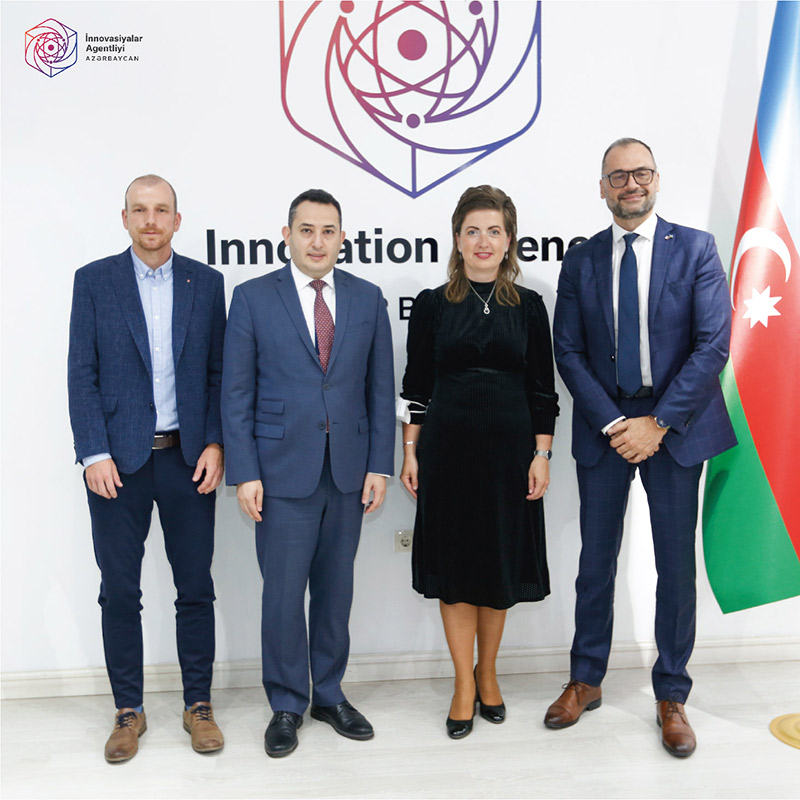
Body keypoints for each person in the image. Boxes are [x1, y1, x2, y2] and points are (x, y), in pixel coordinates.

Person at [548, 138, 736, 757]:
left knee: (675, 567)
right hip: (605, 427)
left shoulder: (697, 248)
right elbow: (568, 350)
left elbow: (713, 345)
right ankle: (585, 679)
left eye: (641, 173)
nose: (631, 184)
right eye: (618, 176)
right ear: (602, 187)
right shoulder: (581, 260)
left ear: (657, 179)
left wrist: (656, 422)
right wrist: (614, 423)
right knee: (595, 562)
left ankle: (672, 694)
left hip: (675, 427)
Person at [221, 189, 395, 758]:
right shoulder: (252, 298)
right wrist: (245, 472)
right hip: (279, 474)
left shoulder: (368, 298)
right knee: (282, 595)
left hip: (347, 471)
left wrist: (380, 465)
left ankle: (330, 694)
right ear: (287, 235)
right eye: (306, 230)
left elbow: (379, 389)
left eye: (328, 231)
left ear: (342, 237)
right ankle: (287, 703)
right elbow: (236, 393)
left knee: (336, 591)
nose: (317, 241)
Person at [68, 175, 227, 763]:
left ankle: (198, 705)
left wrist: (216, 443)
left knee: (196, 589)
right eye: (141, 210)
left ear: (177, 220)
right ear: (125, 218)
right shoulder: (94, 281)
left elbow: (219, 373)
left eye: (162, 210)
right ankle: (127, 711)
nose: (151, 220)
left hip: (189, 460)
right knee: (119, 592)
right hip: (118, 464)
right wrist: (94, 453)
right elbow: (81, 372)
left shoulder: (206, 283)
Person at [399, 185, 559, 739]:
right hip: (446, 456)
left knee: (498, 566)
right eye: (473, 231)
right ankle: (462, 684)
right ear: (457, 239)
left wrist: (542, 455)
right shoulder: (431, 305)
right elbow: (415, 387)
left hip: (510, 458)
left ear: (509, 240)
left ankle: (487, 673)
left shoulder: (530, 307)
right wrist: (410, 451)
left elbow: (543, 391)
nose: (483, 241)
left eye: (494, 231)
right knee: (456, 571)